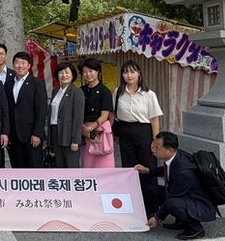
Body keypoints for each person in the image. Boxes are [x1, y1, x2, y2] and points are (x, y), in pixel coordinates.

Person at [135, 132, 216, 240]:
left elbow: (172, 196)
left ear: (170, 150)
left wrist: (157, 217)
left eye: (157, 148)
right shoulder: (176, 156)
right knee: (152, 189)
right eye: (153, 146)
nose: (153, 150)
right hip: (188, 197)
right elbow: (166, 169)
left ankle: (196, 229)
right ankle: (181, 221)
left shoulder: (183, 173)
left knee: (172, 203)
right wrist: (147, 170)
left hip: (201, 205)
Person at [111, 59, 163, 216]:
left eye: (132, 71)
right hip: (125, 131)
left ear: (139, 73)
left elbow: (154, 119)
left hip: (144, 131)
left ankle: (150, 207)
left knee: (147, 167)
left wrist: (155, 141)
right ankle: (131, 204)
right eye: (126, 72)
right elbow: (113, 113)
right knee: (129, 168)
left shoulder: (149, 94)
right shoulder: (118, 92)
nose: (129, 75)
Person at [6, 51, 47, 168]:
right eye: (17, 63)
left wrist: (37, 133)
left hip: (31, 135)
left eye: (23, 63)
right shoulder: (8, 84)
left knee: (34, 167)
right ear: (13, 65)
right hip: (14, 135)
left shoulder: (37, 83)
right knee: (18, 168)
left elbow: (41, 110)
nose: (20, 66)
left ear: (29, 65)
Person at [79, 57, 114, 168]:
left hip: (100, 129)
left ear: (97, 71)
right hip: (84, 129)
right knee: (88, 163)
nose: (88, 74)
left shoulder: (105, 91)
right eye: (85, 72)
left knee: (103, 164)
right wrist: (84, 129)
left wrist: (89, 129)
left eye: (91, 71)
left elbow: (105, 115)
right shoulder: (81, 90)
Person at [48, 61, 84, 168]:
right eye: (61, 72)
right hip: (55, 131)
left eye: (67, 72)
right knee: (60, 166)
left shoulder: (76, 92)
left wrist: (75, 140)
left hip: (69, 134)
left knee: (71, 166)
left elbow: (78, 118)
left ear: (72, 75)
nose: (64, 75)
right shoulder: (55, 91)